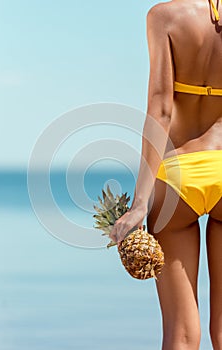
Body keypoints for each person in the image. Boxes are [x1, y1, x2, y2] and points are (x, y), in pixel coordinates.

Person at [109, 0, 222, 349]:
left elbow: (160, 109)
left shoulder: (164, 16)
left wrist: (139, 203)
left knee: (181, 334)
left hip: (176, 177)